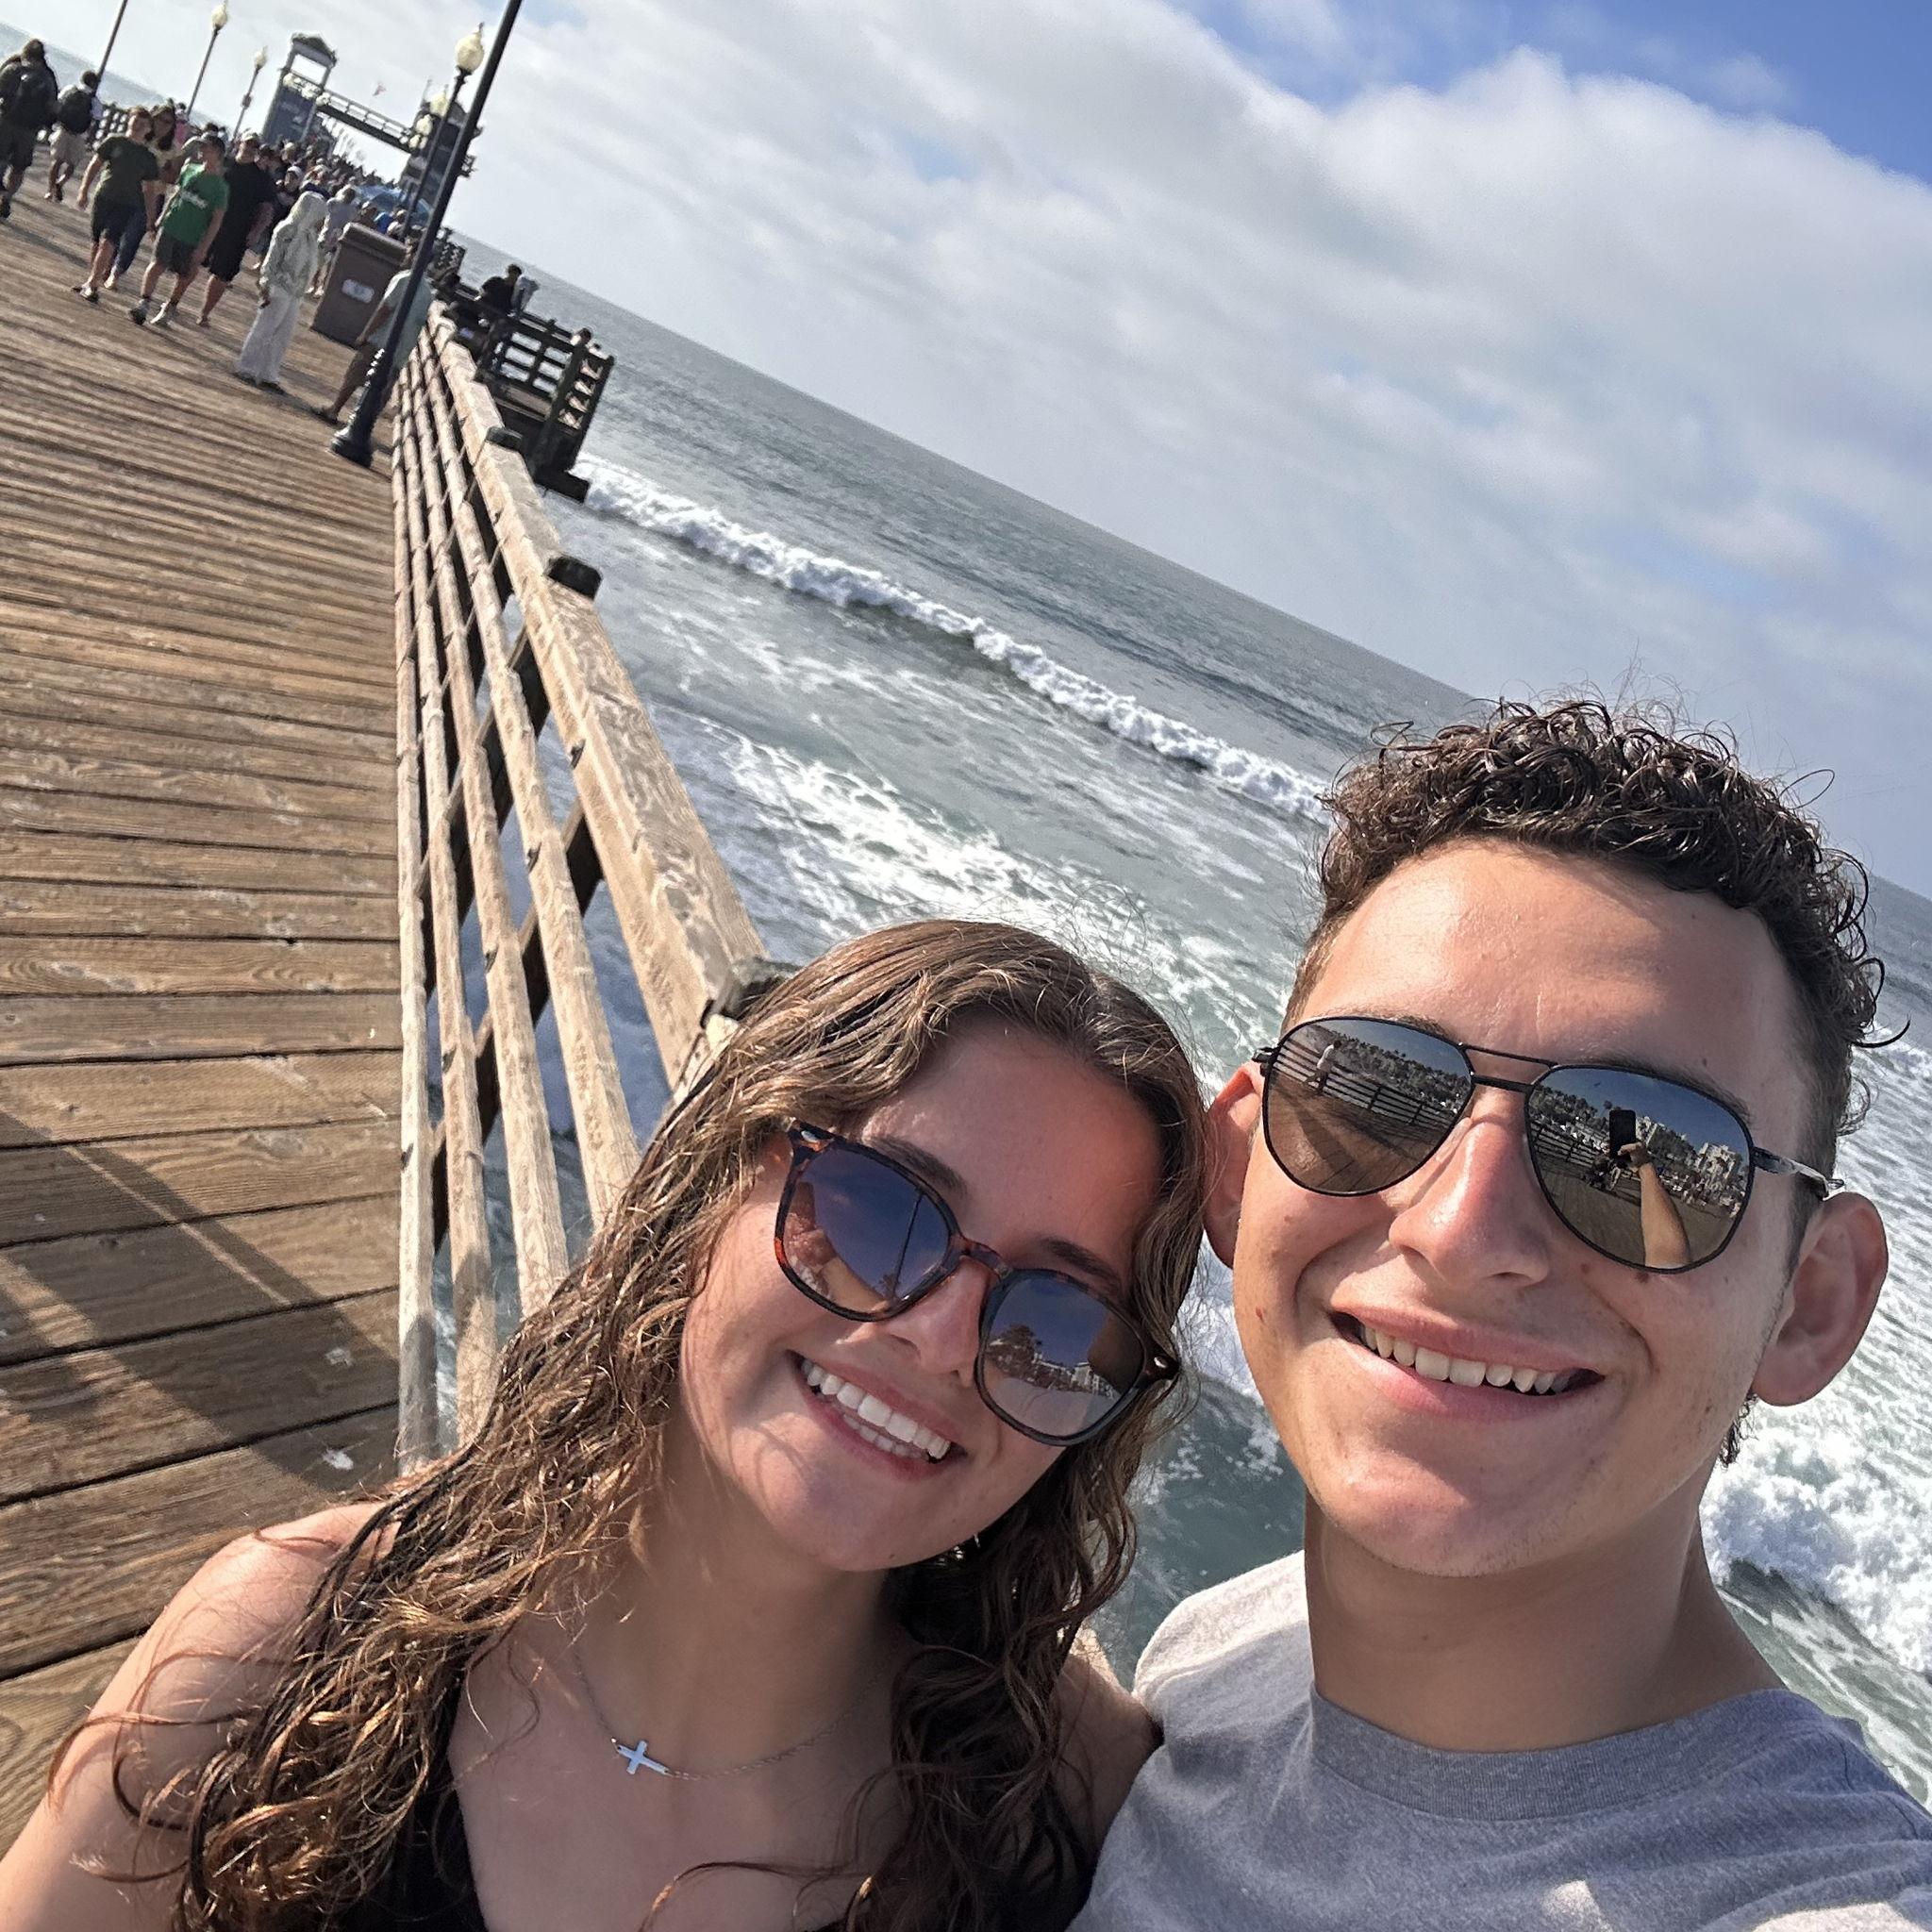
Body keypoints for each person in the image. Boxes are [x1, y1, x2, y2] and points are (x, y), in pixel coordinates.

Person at [1, 919, 1208, 1932]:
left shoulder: (1065, 1798)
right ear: (706, 1191)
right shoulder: (278, 1649)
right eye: (876, 1205)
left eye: (1053, 1319)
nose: (941, 1335)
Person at [1072, 699, 1932, 1930]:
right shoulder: (1221, 1655)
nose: (1461, 1231)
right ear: (1238, 1170)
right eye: (1372, 1091)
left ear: (1813, 1304)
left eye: (1639, 1152)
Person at [312, 264, 447, 425]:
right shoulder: (427, 292)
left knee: (355, 375)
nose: (406, 255)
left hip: (381, 340)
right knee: (382, 390)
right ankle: (363, 424)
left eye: (410, 251)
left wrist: (365, 334)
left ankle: (335, 410)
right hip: (401, 350)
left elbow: (385, 309)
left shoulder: (404, 278)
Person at [128, 130, 227, 328]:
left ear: (216, 152)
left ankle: (170, 306)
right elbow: (176, 194)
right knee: (157, 264)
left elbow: (216, 220)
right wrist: (161, 218)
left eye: (205, 147)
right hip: (172, 225)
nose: (201, 150)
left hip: (192, 235)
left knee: (184, 274)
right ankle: (144, 303)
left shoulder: (220, 187)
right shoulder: (189, 169)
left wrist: (204, 248)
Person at [234, 189, 326, 391]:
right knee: (265, 328)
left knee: (283, 334)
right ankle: (247, 367)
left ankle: (269, 373)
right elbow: (272, 257)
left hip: (296, 291)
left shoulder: (311, 237)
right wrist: (266, 282)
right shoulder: (287, 229)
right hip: (279, 284)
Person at [74, 105, 163, 304]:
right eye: (135, 121)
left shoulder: (148, 158)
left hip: (127, 203)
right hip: (104, 196)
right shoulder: (114, 142)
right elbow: (95, 165)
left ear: (149, 129)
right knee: (96, 242)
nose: (138, 126)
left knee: (108, 242)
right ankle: (91, 279)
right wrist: (83, 191)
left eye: (143, 124)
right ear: (129, 121)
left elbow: (149, 190)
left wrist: (151, 217)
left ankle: (94, 284)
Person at [195, 133, 279, 325]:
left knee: (222, 275)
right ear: (240, 142)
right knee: (192, 261)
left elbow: (267, 209)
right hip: (207, 222)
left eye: (255, 146)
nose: (250, 147)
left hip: (237, 230)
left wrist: (256, 231)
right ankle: (173, 303)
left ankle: (204, 313)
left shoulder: (262, 179)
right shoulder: (223, 164)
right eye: (248, 143)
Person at [0, 37, 58, 219]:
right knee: (19, 167)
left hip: (6, 121)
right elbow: (53, 107)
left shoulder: (13, 68)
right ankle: (7, 196)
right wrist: (48, 127)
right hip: (29, 130)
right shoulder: (48, 78)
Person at [45, 67, 97, 203]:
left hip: (63, 128)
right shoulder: (95, 101)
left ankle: (50, 191)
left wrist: (50, 124)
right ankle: (60, 183)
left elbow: (58, 105)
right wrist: (91, 139)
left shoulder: (70, 89)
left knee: (56, 161)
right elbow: (95, 121)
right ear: (94, 84)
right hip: (79, 135)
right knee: (72, 164)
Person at [310, 182, 358, 294]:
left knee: (331, 265)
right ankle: (313, 284)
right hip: (325, 235)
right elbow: (322, 216)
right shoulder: (333, 203)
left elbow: (353, 224)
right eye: (348, 194)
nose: (349, 197)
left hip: (338, 240)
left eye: (351, 195)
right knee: (317, 261)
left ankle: (323, 287)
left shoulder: (353, 211)